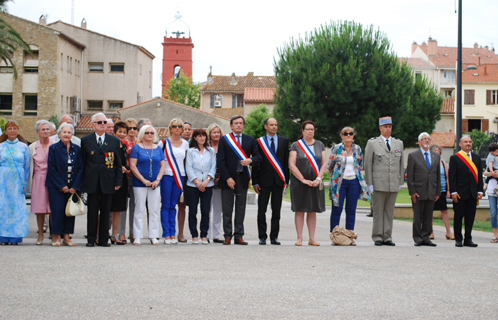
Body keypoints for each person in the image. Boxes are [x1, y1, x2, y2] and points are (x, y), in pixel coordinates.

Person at [81, 112, 123, 247]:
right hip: (92, 181)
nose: (103, 125)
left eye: (105, 122)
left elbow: (118, 163)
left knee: (106, 211)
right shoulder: (86, 140)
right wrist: (81, 182)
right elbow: (82, 163)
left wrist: (118, 181)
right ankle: (91, 239)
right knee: (92, 211)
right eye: (100, 122)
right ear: (93, 125)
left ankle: (104, 239)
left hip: (108, 181)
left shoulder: (114, 140)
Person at [218, 115, 261, 245]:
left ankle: (238, 235)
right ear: (231, 126)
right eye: (236, 123)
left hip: (242, 178)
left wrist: (251, 160)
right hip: (228, 179)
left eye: (241, 123)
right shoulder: (224, 140)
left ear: (243, 125)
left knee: (240, 208)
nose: (238, 125)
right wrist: (228, 178)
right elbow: (221, 161)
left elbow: (259, 157)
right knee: (227, 208)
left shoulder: (250, 140)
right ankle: (227, 235)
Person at [364, 116, 404, 246]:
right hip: (378, 182)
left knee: (389, 211)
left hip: (392, 182)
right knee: (378, 211)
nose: (388, 129)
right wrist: (369, 183)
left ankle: (387, 236)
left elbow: (401, 163)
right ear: (380, 128)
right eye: (385, 127)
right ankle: (377, 236)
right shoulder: (373, 143)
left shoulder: (398, 143)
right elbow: (368, 164)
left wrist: (400, 181)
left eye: (390, 127)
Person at [289, 120, 326, 246]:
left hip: (315, 183)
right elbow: (291, 165)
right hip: (300, 183)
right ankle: (299, 238)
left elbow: (324, 163)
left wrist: (318, 179)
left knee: (312, 210)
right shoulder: (296, 145)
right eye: (308, 129)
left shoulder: (320, 144)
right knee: (300, 210)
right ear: (303, 131)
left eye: (312, 129)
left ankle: (312, 238)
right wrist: (303, 179)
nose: (310, 131)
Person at [252, 117, 289, 245]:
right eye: (271, 125)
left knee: (276, 210)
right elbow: (255, 164)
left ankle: (274, 237)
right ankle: (262, 236)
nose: (274, 127)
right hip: (263, 181)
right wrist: (255, 182)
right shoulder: (259, 142)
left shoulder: (284, 141)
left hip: (278, 181)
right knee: (261, 210)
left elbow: (285, 162)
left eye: (276, 125)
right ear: (265, 126)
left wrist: (286, 180)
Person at [46, 123, 83, 247]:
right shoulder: (53, 148)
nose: (67, 134)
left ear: (72, 135)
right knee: (57, 210)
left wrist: (75, 186)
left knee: (69, 211)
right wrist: (61, 185)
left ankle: (67, 237)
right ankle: (56, 236)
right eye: (64, 132)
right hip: (56, 186)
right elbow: (51, 168)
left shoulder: (77, 149)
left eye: (69, 132)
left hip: (72, 186)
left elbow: (80, 168)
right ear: (59, 134)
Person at [328, 126, 370, 234]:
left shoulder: (357, 148)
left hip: (354, 182)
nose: (348, 136)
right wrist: (334, 179)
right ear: (342, 136)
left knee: (351, 210)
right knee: (337, 208)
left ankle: (349, 235)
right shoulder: (336, 148)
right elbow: (330, 166)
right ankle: (335, 234)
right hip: (340, 183)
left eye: (350, 133)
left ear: (353, 135)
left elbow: (359, 164)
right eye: (345, 134)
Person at [129, 125, 165, 245]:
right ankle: (137, 236)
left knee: (154, 210)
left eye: (151, 132)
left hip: (155, 184)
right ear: (142, 134)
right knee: (139, 209)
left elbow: (162, 165)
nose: (149, 135)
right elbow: (133, 166)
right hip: (140, 184)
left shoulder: (158, 148)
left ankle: (153, 235)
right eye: (147, 133)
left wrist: (157, 180)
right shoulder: (136, 148)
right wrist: (143, 180)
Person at [157, 118, 189, 244]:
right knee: (165, 205)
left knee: (173, 205)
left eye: (180, 126)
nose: (177, 128)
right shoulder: (163, 143)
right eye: (174, 126)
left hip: (179, 177)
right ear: (170, 128)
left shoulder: (185, 143)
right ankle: (166, 234)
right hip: (166, 176)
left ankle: (173, 233)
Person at [449, 135, 483, 247]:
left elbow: (479, 176)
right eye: (465, 142)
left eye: (470, 142)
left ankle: (468, 239)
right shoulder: (455, 158)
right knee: (458, 217)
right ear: (460, 144)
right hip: (459, 193)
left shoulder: (477, 158)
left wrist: (480, 190)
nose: (468, 143)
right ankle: (458, 239)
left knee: (470, 217)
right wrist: (453, 191)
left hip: (472, 193)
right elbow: (452, 176)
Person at [406, 132, 440, 247]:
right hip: (418, 191)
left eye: (428, 139)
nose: (426, 141)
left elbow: (437, 176)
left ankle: (426, 237)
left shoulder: (436, 156)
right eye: (424, 139)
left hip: (431, 190)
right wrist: (412, 191)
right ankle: (417, 238)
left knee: (428, 216)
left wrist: (437, 191)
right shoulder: (413, 155)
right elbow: (410, 176)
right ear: (419, 141)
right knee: (418, 216)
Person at [0, 121, 30, 245]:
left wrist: (24, 181)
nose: (12, 131)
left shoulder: (24, 147)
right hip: (2, 179)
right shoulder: (0, 146)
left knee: (17, 207)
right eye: (10, 128)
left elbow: (27, 166)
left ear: (18, 131)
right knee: (3, 206)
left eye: (14, 128)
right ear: (6, 131)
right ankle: (2, 236)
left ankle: (16, 236)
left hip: (18, 180)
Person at [185, 128, 216, 244]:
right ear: (195, 138)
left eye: (204, 136)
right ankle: (194, 234)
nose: (202, 138)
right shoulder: (190, 151)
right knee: (192, 211)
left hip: (207, 184)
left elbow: (213, 166)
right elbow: (189, 168)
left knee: (205, 211)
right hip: (193, 185)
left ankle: (204, 234)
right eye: (199, 136)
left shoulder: (211, 151)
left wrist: (207, 180)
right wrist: (197, 182)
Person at [28, 120, 53, 245]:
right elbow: (29, 166)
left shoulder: (55, 144)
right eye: (43, 129)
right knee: (39, 207)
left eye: (47, 129)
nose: (45, 131)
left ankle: (54, 234)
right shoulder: (32, 147)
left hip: (52, 178)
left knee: (53, 207)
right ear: (37, 132)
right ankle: (40, 234)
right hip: (38, 178)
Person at [110, 121, 131, 245]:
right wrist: (119, 168)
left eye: (124, 132)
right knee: (106, 209)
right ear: (114, 132)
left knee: (118, 209)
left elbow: (123, 162)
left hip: (122, 180)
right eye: (120, 132)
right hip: (111, 180)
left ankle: (114, 234)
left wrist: (126, 168)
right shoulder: (110, 145)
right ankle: (99, 233)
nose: (122, 134)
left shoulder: (124, 146)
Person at [430, 144, 454, 240]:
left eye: (438, 150)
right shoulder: (429, 162)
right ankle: (430, 232)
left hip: (442, 190)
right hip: (432, 190)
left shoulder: (443, 163)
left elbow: (447, 177)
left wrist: (448, 190)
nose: (437, 152)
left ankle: (448, 232)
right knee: (429, 212)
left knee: (444, 211)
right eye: (435, 150)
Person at [206, 123, 224, 243]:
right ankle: (206, 234)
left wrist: (221, 178)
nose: (216, 134)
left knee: (218, 209)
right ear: (210, 134)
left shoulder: (224, 146)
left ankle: (216, 235)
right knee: (206, 209)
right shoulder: (205, 147)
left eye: (218, 132)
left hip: (220, 181)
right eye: (214, 132)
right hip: (207, 181)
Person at [176, 121, 192, 243]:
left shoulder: (193, 143)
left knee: (183, 206)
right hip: (174, 176)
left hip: (188, 179)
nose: (187, 131)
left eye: (189, 129)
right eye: (185, 129)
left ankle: (181, 233)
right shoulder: (174, 142)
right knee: (171, 205)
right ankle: (170, 232)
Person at [123, 118, 139, 243]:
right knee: (122, 206)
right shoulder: (122, 142)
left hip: (137, 178)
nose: (132, 130)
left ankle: (133, 233)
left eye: (134, 128)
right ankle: (120, 233)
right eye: (129, 128)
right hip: (124, 176)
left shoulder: (140, 143)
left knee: (134, 206)